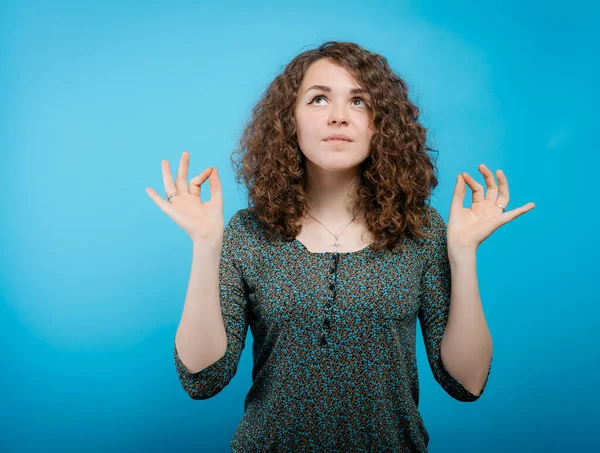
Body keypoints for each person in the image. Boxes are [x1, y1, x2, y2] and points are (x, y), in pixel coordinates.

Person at [146, 41, 535, 452]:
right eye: (318, 99)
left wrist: (463, 253)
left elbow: (467, 382)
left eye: (359, 102)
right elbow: (203, 378)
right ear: (289, 120)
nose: (338, 117)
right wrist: (206, 244)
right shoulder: (248, 233)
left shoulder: (421, 231)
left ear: (381, 123)